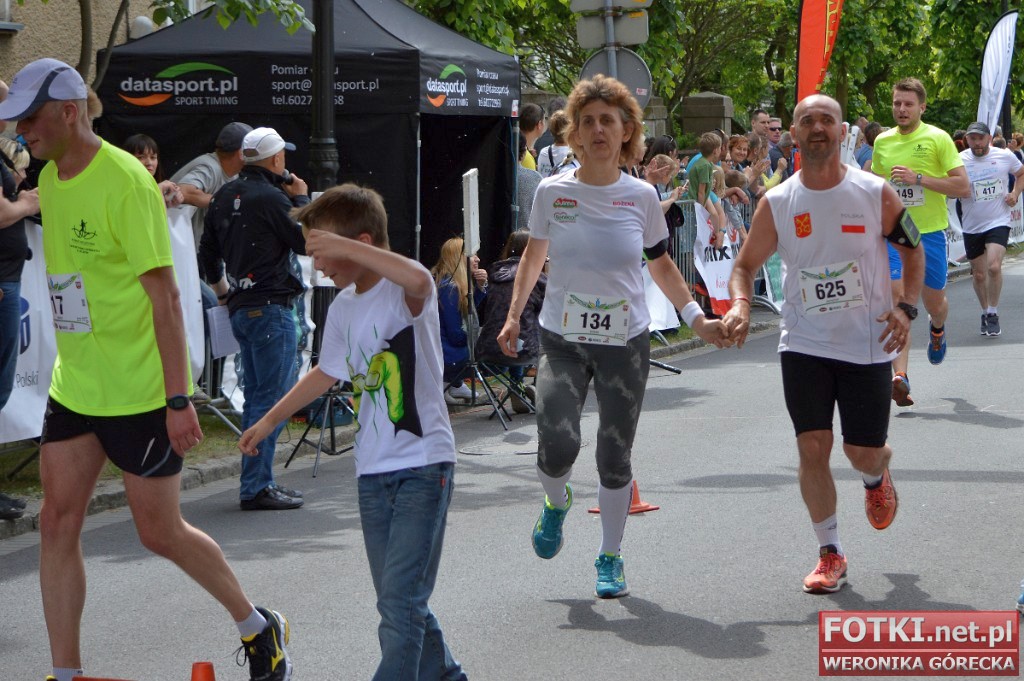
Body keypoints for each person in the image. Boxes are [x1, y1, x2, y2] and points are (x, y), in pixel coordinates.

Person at [1, 58, 291, 681]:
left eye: (29, 118)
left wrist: (178, 398)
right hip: (77, 385)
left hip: (139, 390)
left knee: (159, 532)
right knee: (55, 522)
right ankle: (67, 673)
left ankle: (256, 623)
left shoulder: (127, 182)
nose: (21, 131)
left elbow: (165, 297)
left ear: (69, 112)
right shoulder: (49, 177)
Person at [496, 74, 729, 599]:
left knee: (613, 455)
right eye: (588, 122)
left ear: (627, 131)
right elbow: (533, 256)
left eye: (609, 121)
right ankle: (556, 502)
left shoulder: (641, 196)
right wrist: (513, 317)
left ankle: (610, 556)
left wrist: (697, 319)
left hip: (625, 343)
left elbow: (663, 264)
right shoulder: (553, 192)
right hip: (563, 339)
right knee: (558, 444)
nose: (598, 130)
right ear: (575, 133)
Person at [238, 183, 467, 681]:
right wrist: (269, 420)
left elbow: (419, 278)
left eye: (324, 251)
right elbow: (326, 371)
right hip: (372, 474)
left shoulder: (405, 291)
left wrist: (349, 247)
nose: (319, 266)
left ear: (361, 242)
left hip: (423, 467)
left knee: (400, 606)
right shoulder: (343, 305)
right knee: (400, 601)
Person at [721, 93, 924, 594]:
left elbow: (913, 250)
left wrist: (906, 307)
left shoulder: (874, 192)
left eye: (826, 120)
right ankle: (830, 552)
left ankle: (876, 474)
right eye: (807, 120)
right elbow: (744, 267)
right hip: (803, 342)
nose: (817, 128)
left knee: (861, 452)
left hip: (866, 343)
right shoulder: (778, 202)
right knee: (812, 446)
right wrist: (741, 304)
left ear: (841, 131)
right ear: (793, 133)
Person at [199, 126, 308, 510]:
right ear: (276, 158)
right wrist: (302, 198)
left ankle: (256, 482)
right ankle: (257, 486)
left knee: (258, 397)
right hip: (271, 307)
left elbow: (207, 253)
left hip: (242, 307)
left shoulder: (223, 195)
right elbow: (306, 241)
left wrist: (224, 293)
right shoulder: (272, 198)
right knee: (272, 399)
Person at [871, 78, 969, 406]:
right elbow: (877, 185)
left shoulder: (938, 138)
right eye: (897, 103)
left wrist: (919, 179)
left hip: (929, 234)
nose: (901, 109)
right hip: (894, 233)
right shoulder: (882, 141)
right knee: (898, 298)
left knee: (934, 304)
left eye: (908, 104)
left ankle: (937, 328)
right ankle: (900, 376)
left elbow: (962, 187)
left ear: (922, 107)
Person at [957, 121, 1024, 337]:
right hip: (972, 224)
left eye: (980, 138)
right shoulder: (959, 160)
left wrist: (1015, 194)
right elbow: (950, 187)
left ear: (988, 138)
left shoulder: (1004, 156)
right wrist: (957, 191)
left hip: (998, 220)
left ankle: (993, 313)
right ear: (967, 140)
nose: (976, 143)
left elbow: (1021, 173)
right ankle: (985, 311)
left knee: (994, 267)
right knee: (978, 275)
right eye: (972, 139)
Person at [476, 230, 545, 412]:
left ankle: (517, 385)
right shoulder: (537, 277)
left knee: (517, 332)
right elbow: (550, 309)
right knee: (541, 330)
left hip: (489, 349)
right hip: (525, 350)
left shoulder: (493, 273)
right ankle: (536, 387)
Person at [170, 121, 252, 252]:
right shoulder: (210, 167)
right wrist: (225, 202)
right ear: (241, 153)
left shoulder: (233, 174)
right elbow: (184, 191)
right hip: (177, 251)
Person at [430, 236, 487, 404]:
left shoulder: (450, 283)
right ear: (459, 258)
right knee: (490, 343)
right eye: (473, 255)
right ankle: (448, 381)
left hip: (444, 350)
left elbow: (467, 312)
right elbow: (455, 335)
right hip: (447, 355)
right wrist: (480, 337)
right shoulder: (449, 288)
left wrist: (480, 286)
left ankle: (455, 384)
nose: (477, 259)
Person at [121, 133, 183, 209]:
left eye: (153, 157)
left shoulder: (151, 188)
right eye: (141, 157)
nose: (149, 163)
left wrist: (168, 204)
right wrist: (158, 190)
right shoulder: (122, 189)